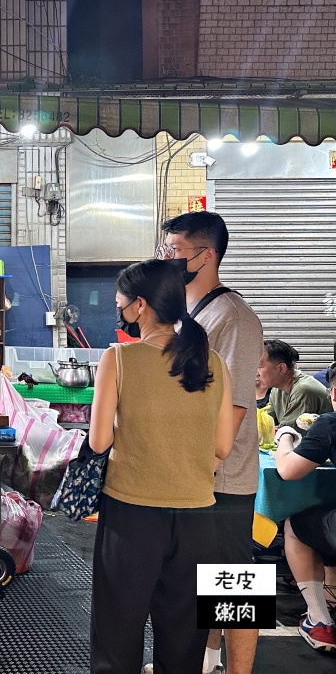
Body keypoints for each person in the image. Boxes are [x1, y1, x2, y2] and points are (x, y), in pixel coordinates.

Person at [89, 259, 234, 673]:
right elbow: (222, 445)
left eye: (121, 304)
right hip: (198, 518)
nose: (120, 312)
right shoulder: (214, 363)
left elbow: (99, 441)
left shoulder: (118, 358)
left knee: (117, 632)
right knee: (184, 638)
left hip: (131, 517)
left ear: (140, 305)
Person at [161, 210, 264, 674]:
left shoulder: (235, 317)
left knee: (234, 583)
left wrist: (207, 461)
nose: (168, 259)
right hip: (189, 473)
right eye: (166, 251)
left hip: (223, 477)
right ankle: (207, 661)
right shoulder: (188, 315)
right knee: (196, 581)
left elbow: (235, 407)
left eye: (175, 252)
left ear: (207, 255)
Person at [274, 365, 336, 652]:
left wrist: (285, 436)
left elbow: (287, 470)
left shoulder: (329, 423)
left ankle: (319, 620)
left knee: (297, 526)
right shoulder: (277, 393)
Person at [258, 339, 333, 430]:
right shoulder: (277, 388)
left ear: (281, 368)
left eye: (259, 366)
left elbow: (289, 432)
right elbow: (264, 421)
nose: (255, 372)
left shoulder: (303, 389)